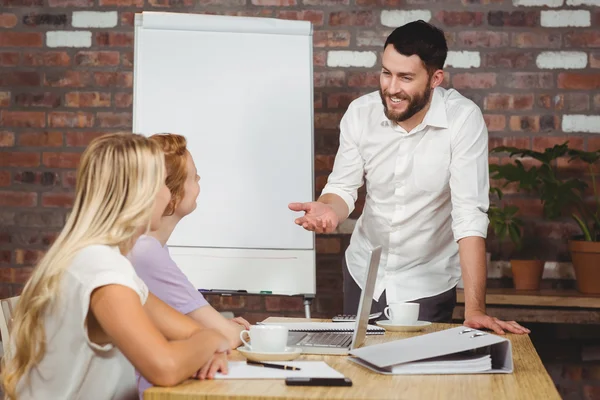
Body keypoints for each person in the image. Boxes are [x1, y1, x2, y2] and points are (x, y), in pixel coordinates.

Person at [289, 21, 529, 335]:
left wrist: (475, 309)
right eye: (386, 73)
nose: (391, 88)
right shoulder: (361, 114)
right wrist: (331, 209)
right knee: (361, 372)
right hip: (364, 273)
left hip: (426, 280)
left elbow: (468, 214)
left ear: (435, 79)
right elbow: (342, 187)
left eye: (405, 77)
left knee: (417, 377)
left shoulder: (462, 119)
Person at [1, 133, 230, 400]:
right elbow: (166, 367)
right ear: (142, 193)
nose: (169, 193)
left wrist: (209, 340)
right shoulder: (101, 269)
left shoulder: (99, 260)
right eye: (163, 184)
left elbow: (194, 332)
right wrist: (212, 341)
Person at [128, 133, 250, 397]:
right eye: (194, 177)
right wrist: (231, 331)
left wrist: (218, 332)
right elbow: (224, 335)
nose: (199, 184)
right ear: (170, 193)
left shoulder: (149, 248)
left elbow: (212, 334)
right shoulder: (144, 251)